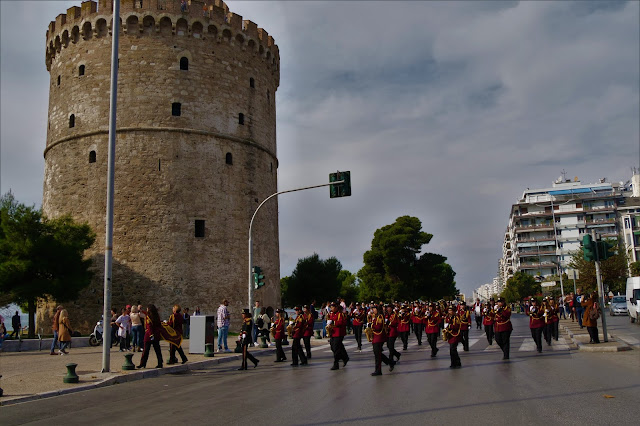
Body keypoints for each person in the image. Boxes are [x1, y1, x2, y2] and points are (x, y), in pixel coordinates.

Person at [370, 305, 395, 376]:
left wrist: (371, 326)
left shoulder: (380, 316)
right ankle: (390, 362)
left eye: (374, 309)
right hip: (376, 337)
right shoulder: (375, 316)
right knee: (377, 353)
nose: (373, 310)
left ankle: (378, 370)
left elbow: (378, 326)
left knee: (377, 354)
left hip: (379, 337)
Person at [137, 304, 164, 369]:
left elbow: (149, 327)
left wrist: (151, 334)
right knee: (158, 351)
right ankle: (160, 363)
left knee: (146, 351)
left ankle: (142, 363)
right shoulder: (157, 317)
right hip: (156, 335)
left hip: (149, 336)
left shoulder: (148, 317)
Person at [327, 301, 349, 370]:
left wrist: (333, 322)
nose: (331, 308)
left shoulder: (340, 314)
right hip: (333, 333)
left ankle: (336, 364)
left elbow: (342, 322)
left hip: (339, 333)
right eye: (331, 306)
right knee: (334, 347)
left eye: (333, 306)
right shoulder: (331, 314)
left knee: (336, 348)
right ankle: (345, 357)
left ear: (336, 307)